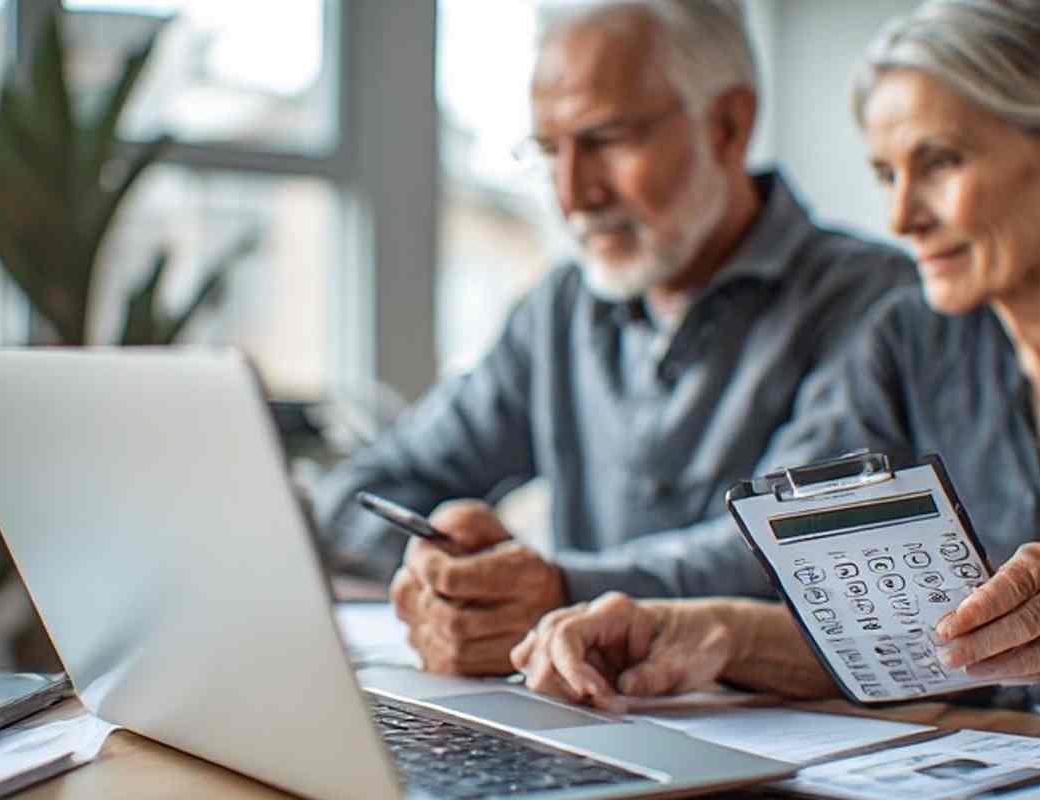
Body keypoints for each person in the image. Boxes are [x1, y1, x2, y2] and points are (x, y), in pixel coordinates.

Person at [511, 0, 1040, 728]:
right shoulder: (909, 344)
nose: (901, 219)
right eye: (887, 175)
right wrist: (687, 627)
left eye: (942, 162)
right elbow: (883, 637)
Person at [311, 0, 913, 675]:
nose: (572, 194)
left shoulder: (877, 303)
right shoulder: (559, 309)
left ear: (729, 125)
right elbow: (368, 486)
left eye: (606, 140)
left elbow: (796, 546)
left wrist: (557, 588)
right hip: (585, 712)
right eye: (549, 151)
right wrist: (455, 575)